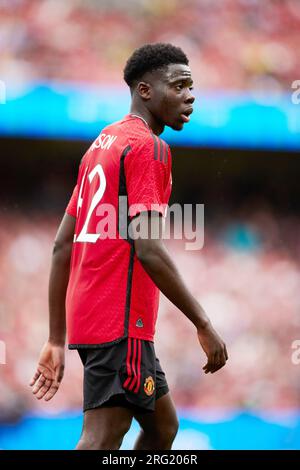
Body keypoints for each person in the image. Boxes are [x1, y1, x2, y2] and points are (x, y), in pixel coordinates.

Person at [30, 43, 228, 450]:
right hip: (119, 320)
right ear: (145, 90)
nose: (190, 95)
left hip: (95, 316)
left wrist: (55, 337)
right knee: (102, 438)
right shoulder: (149, 148)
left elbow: (61, 245)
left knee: (162, 429)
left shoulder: (103, 143)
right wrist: (203, 324)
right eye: (179, 85)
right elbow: (149, 249)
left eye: (192, 87)